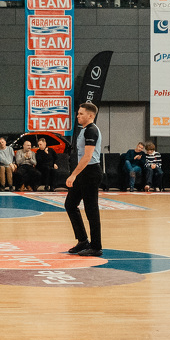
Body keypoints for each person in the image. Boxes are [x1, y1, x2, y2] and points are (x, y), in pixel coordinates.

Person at [64, 102, 103, 256]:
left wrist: (73, 174)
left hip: (91, 172)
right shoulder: (84, 130)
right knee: (70, 204)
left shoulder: (91, 131)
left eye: (81, 114)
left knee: (91, 209)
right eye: (78, 113)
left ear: (90, 115)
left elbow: (87, 157)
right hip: (83, 172)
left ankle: (96, 246)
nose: (78, 116)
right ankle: (82, 241)